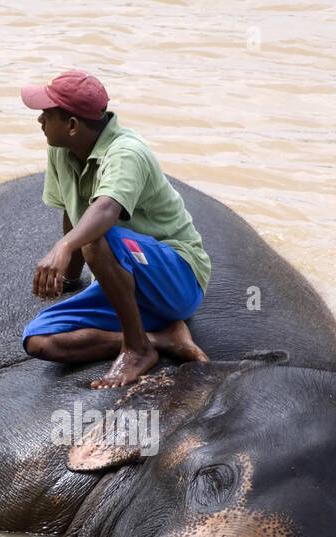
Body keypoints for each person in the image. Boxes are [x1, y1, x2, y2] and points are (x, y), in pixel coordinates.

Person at [19, 70, 211, 388]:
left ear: (72, 125)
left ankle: (137, 349)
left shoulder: (127, 152)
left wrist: (64, 247)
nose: (40, 120)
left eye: (47, 114)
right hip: (121, 284)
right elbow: (72, 208)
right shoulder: (59, 149)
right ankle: (161, 339)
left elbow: (105, 210)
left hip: (174, 276)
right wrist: (70, 275)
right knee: (38, 340)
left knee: (95, 235)